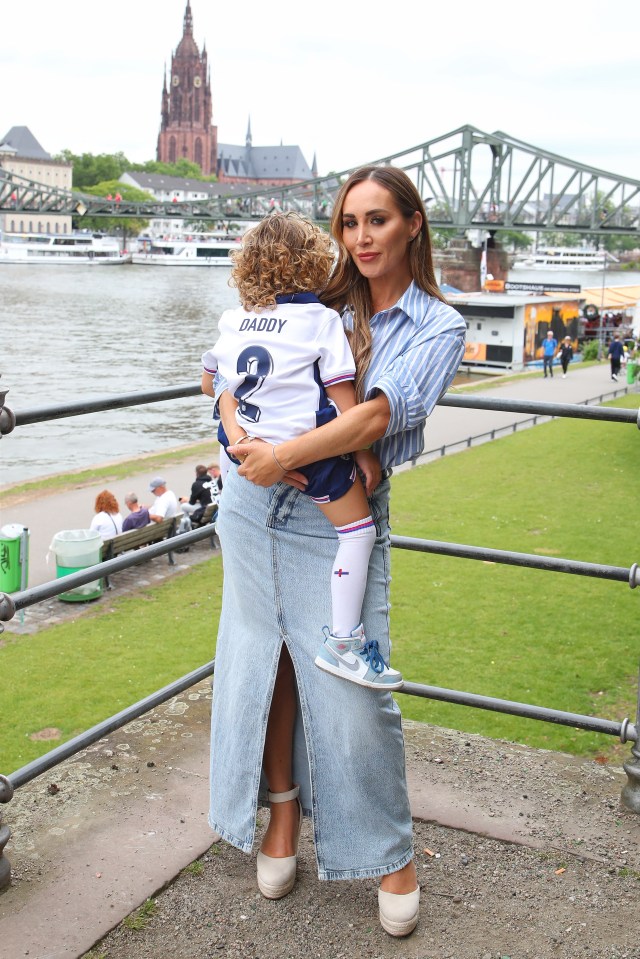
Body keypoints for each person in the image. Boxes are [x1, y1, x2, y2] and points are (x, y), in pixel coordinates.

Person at [206, 166, 465, 938]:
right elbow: (224, 373)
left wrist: (276, 453)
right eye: (350, 223)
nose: (362, 238)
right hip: (252, 501)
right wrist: (237, 435)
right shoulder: (317, 301)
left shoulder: (437, 326)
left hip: (333, 515)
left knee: (351, 685)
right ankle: (282, 814)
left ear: (413, 224)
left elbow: (372, 421)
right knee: (266, 657)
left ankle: (387, 850)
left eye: (378, 220)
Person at [202, 212, 401, 690]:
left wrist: (240, 429)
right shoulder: (320, 319)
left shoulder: (234, 319)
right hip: (310, 453)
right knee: (358, 533)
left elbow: (211, 381)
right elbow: (343, 396)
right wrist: (362, 452)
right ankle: (343, 643)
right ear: (315, 264)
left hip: (245, 449)